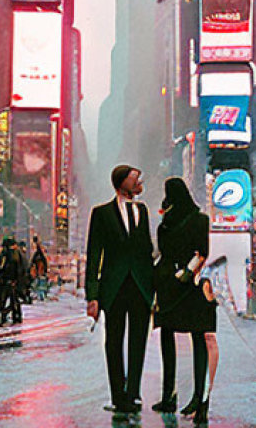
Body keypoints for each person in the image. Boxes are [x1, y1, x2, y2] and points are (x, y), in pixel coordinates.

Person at [84, 165, 155, 415]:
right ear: (121, 182)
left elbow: (147, 250)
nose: (139, 182)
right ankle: (118, 396)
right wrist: (92, 296)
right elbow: (93, 256)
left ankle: (133, 393)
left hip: (140, 288)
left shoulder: (143, 211)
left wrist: (153, 288)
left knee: (139, 340)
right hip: (113, 288)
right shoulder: (101, 213)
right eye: (135, 178)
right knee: (113, 342)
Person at [152, 178, 218, 422]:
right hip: (182, 284)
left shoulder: (168, 224)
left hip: (174, 284)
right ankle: (191, 397)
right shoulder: (196, 220)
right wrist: (187, 274)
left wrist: (184, 273)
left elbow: (198, 252)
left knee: (173, 337)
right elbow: (202, 252)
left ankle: (175, 397)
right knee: (193, 337)